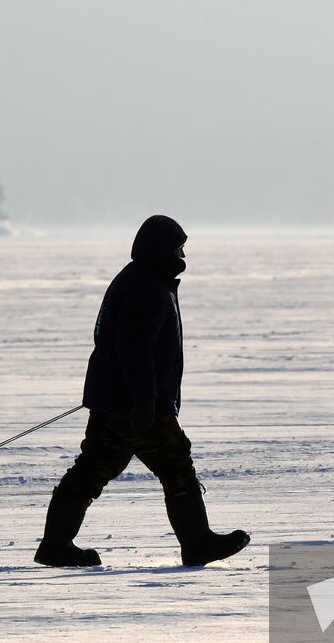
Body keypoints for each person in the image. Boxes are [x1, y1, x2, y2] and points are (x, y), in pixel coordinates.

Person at [34, 215, 250, 568]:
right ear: (162, 249)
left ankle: (56, 544)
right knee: (174, 464)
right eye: (179, 246)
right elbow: (134, 348)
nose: (183, 253)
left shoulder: (143, 280)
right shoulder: (146, 287)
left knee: (92, 470)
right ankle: (197, 543)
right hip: (134, 403)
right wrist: (146, 400)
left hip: (121, 400)